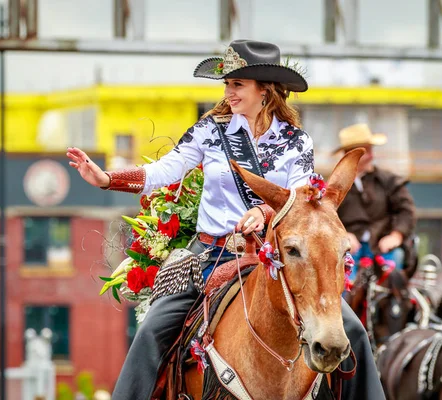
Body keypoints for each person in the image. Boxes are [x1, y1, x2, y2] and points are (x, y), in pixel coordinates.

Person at [67, 40, 384, 400]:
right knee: (151, 332)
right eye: (226, 84)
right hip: (211, 256)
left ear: (264, 90)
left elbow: (298, 198)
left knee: (353, 332)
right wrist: (107, 179)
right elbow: (165, 170)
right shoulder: (209, 130)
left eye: (237, 84)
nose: (228, 92)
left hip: (276, 257)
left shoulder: (297, 142)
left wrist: (263, 212)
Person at [334, 123, 416, 281]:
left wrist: (396, 236)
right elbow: (326, 216)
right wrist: (342, 235)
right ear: (350, 154)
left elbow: (406, 211)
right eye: (365, 151)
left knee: (392, 277)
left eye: (370, 150)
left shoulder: (388, 180)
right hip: (347, 247)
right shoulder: (335, 185)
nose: (371, 155)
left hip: (383, 244)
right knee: (342, 282)